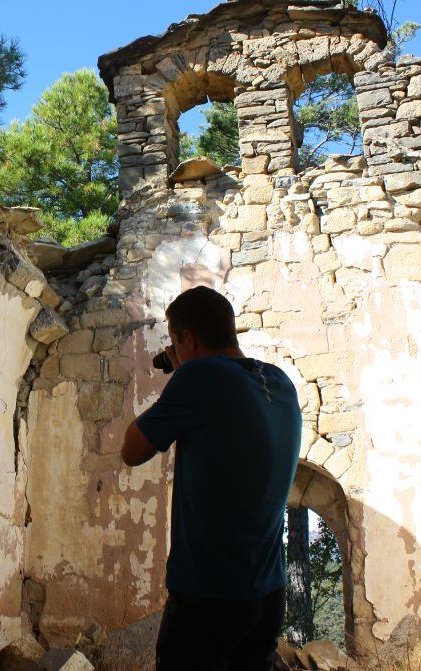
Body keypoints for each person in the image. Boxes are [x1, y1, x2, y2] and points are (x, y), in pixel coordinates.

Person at [120, 285, 302, 671]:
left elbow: (132, 451)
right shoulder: (281, 382)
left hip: (209, 595)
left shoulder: (199, 376)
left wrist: (181, 376)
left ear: (187, 338)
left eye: (175, 341)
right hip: (269, 591)